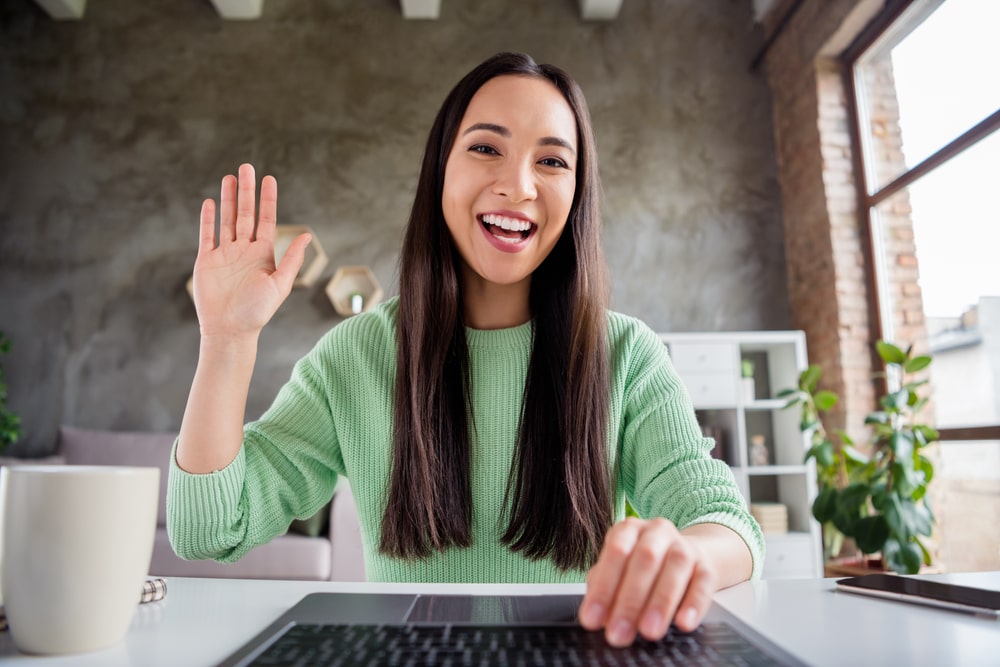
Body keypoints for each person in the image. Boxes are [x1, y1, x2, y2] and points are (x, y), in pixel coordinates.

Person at [168, 51, 763, 648]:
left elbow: (729, 526)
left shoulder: (627, 354)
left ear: (578, 191)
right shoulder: (356, 356)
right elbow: (212, 530)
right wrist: (227, 341)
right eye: (486, 148)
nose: (518, 185)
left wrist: (683, 556)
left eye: (552, 161)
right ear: (440, 171)